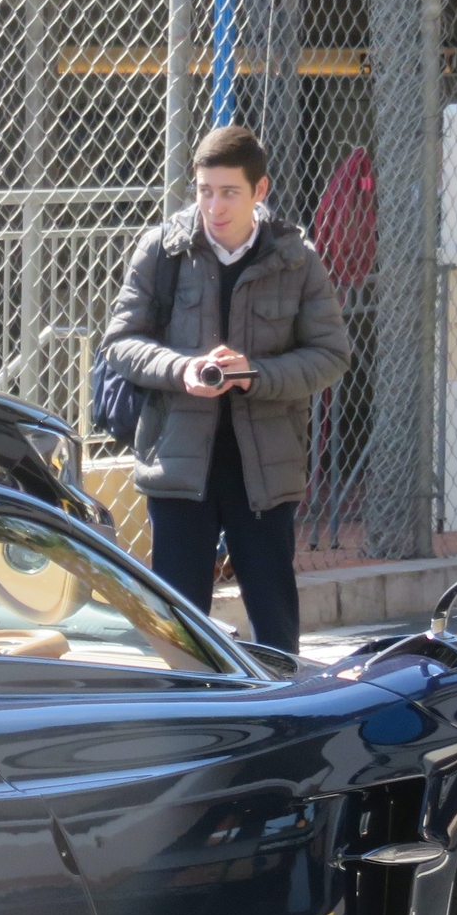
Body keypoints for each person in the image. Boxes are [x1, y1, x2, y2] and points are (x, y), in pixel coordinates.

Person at [101, 124, 352, 655]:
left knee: (275, 625)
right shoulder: (162, 250)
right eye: (204, 191)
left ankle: (281, 716)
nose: (214, 207)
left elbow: (331, 355)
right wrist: (181, 370)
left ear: (259, 191)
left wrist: (255, 374)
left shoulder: (295, 259)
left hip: (264, 467)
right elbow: (120, 342)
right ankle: (182, 719)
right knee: (177, 627)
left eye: (229, 192)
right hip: (179, 464)